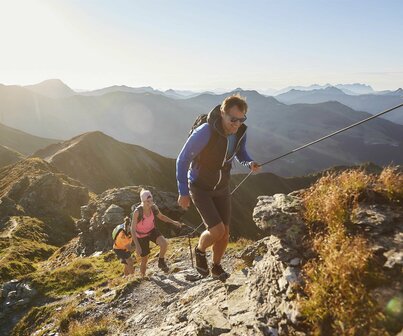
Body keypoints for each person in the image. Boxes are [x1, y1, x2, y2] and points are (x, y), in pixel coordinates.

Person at [176, 94, 260, 280]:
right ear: (222, 113)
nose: (237, 123)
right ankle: (200, 250)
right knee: (217, 231)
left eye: (241, 119)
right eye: (233, 119)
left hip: (222, 186)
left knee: (225, 233)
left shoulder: (239, 132)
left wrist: (249, 163)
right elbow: (182, 159)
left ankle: (216, 267)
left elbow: (241, 153)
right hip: (200, 187)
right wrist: (183, 191)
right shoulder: (206, 131)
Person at [131, 189, 183, 277]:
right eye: (148, 201)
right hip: (141, 235)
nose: (150, 203)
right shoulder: (137, 212)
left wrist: (174, 222)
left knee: (164, 243)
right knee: (144, 259)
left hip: (151, 231)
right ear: (143, 201)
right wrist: (137, 246)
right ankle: (142, 277)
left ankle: (161, 262)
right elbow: (132, 229)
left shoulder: (154, 207)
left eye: (151, 200)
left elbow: (161, 217)